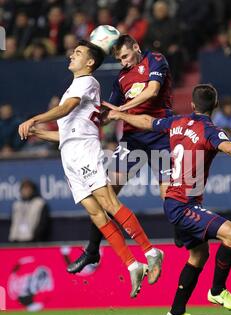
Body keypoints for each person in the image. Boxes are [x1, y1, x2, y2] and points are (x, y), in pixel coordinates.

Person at [107, 84, 231, 315]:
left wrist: (120, 115)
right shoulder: (209, 130)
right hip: (182, 205)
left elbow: (148, 122)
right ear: (216, 106)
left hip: (174, 200)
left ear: (192, 104)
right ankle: (218, 291)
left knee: (199, 255)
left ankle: (176, 312)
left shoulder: (177, 122)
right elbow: (229, 148)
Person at [18, 39, 163, 298]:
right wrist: (38, 132)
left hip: (85, 151)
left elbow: (66, 109)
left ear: (90, 62)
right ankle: (133, 264)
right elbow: (66, 134)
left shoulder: (87, 82)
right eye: (72, 52)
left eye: (78, 52)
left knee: (109, 202)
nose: (72, 56)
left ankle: (151, 251)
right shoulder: (73, 86)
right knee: (96, 213)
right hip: (70, 156)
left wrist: (34, 118)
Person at [67, 34, 173, 274]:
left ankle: (184, 238)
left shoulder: (155, 59)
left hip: (160, 136)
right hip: (132, 140)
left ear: (136, 47)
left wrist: (121, 110)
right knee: (106, 196)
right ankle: (92, 250)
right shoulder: (121, 78)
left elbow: (153, 91)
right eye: (120, 59)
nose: (124, 62)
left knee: (170, 202)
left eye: (125, 56)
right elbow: (107, 113)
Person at [9, 179, 50, 243]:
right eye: (24, 188)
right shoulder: (16, 205)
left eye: (28, 188)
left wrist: (36, 237)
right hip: (17, 240)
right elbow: (12, 222)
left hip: (33, 241)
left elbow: (43, 223)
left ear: (33, 190)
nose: (26, 191)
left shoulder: (39, 203)